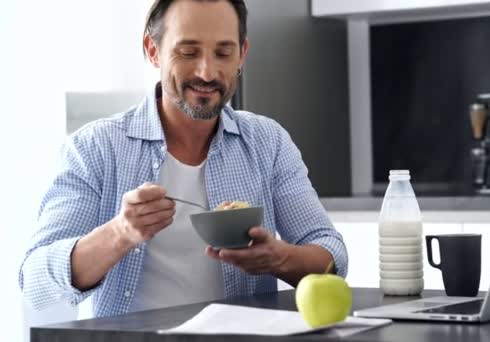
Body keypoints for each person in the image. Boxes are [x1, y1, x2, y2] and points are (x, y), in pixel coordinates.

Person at [18, 0, 348, 317]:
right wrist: (120, 233)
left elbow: (332, 257)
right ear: (152, 50)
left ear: (242, 55)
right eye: (188, 52)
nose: (207, 72)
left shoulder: (267, 142)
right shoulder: (95, 147)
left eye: (223, 52)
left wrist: (279, 258)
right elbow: (35, 282)